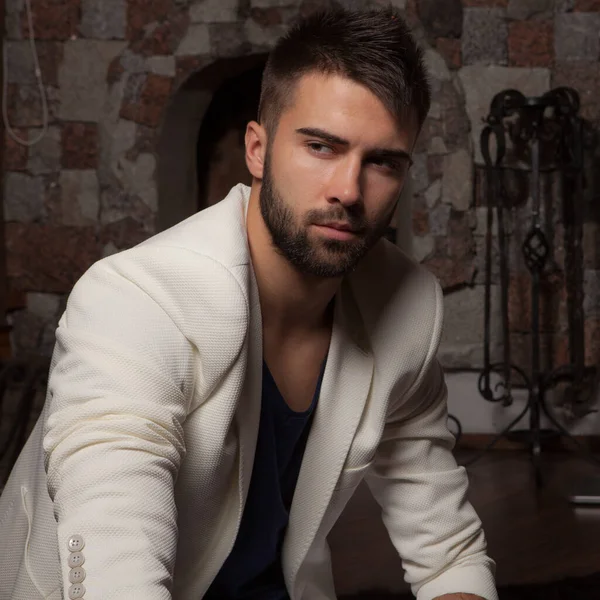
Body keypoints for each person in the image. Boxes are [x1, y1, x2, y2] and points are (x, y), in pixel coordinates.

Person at [0, 5, 498, 600]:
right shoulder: (136, 301)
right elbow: (116, 562)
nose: (348, 189)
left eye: (382, 162)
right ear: (257, 150)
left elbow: (449, 555)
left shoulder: (407, 306)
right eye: (320, 147)